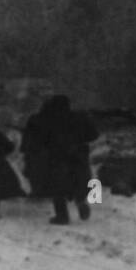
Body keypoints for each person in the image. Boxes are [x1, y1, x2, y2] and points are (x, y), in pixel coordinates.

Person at [41, 95, 98, 226]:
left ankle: (62, 216)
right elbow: (94, 134)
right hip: (79, 155)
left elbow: (44, 139)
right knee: (79, 180)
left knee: (58, 186)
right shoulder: (80, 117)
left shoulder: (52, 121)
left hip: (59, 156)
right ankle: (81, 201)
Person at [20, 97, 58, 199]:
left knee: (35, 173)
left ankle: (38, 191)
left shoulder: (35, 118)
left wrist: (24, 148)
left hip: (35, 151)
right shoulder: (57, 120)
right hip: (48, 152)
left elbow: (27, 134)